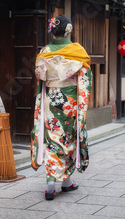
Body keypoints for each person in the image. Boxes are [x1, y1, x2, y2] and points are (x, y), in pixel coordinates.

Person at [31, 15, 93, 200]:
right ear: (69, 30)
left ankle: (53, 183)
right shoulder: (76, 50)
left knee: (52, 139)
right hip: (70, 101)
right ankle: (65, 180)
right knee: (69, 137)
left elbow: (40, 77)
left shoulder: (44, 50)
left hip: (51, 100)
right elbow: (85, 75)